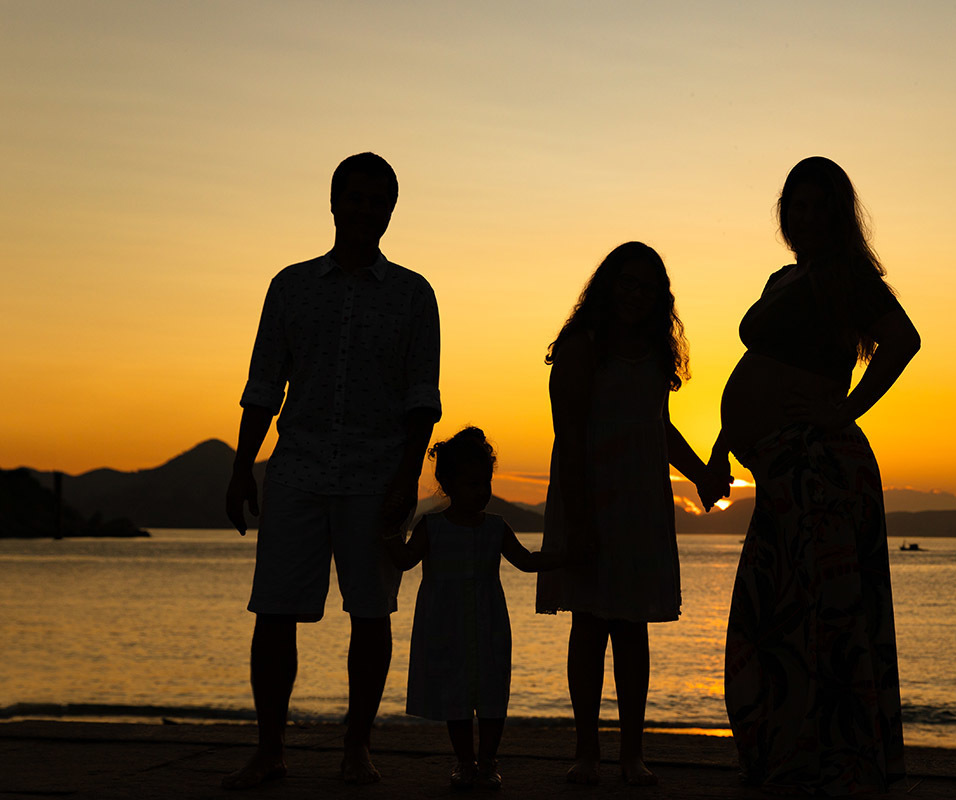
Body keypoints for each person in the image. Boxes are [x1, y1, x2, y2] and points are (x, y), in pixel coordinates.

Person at [222, 152, 441, 789]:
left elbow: (421, 398)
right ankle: (270, 748)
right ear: (334, 202)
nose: (369, 212)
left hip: (375, 476)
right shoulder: (291, 286)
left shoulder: (412, 293)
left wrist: (406, 479)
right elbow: (263, 385)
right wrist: (241, 469)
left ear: (392, 212)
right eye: (359, 199)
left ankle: (357, 746)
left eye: (382, 203)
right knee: (275, 612)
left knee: (371, 613)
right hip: (296, 470)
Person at [702, 156, 919, 795]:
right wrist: (720, 450)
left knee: (824, 621)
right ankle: (788, 756)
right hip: (779, 473)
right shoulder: (783, 278)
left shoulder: (848, 274)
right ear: (785, 213)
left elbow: (902, 341)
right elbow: (759, 367)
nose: (808, 216)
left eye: (822, 206)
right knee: (776, 617)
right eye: (798, 205)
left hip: (819, 469)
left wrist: (844, 409)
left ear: (840, 215)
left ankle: (832, 763)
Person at [536, 241, 719, 786]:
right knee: (589, 626)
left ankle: (632, 755)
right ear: (607, 287)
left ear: (659, 296)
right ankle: (587, 752)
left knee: (633, 628)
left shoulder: (656, 352)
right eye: (626, 283)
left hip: (639, 502)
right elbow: (567, 436)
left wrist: (702, 475)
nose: (634, 295)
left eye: (646, 286)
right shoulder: (581, 347)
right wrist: (582, 520)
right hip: (587, 497)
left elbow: (658, 428)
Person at [383, 427, 565, 789]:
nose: (482, 492)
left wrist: (569, 558)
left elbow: (526, 562)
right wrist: (384, 530)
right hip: (445, 625)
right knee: (457, 698)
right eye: (472, 484)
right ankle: (465, 762)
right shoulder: (431, 526)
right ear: (448, 485)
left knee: (492, 693)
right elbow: (404, 559)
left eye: (486, 483)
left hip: (490, 624)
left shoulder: (496, 527)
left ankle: (488, 761)